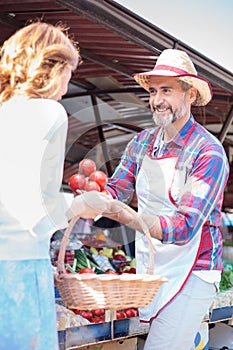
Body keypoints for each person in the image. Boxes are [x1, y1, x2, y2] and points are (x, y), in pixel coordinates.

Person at [104, 49, 230, 349]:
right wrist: (92, 197)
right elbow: (116, 188)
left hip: (194, 270)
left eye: (167, 90)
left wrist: (126, 216)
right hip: (152, 267)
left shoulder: (207, 152)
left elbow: (184, 227)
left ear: (189, 95)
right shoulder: (142, 142)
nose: (157, 100)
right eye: (153, 91)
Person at [0, 22, 111, 350]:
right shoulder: (50, 112)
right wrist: (82, 204)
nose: (66, 86)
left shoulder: (5, 111)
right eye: (68, 74)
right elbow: (37, 207)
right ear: (55, 68)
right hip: (18, 270)